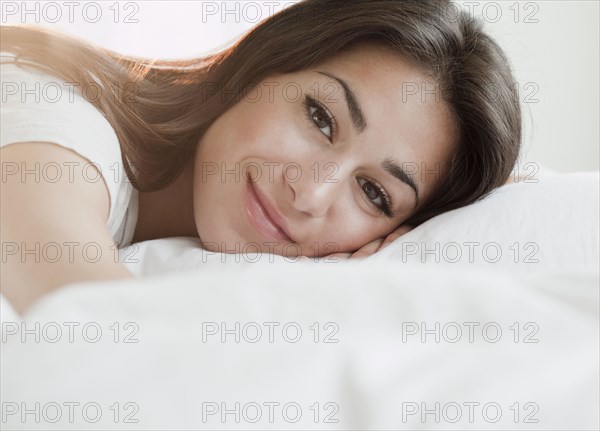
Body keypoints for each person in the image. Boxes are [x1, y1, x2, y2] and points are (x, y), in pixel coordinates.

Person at [0, 0, 522, 313]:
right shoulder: (55, 124)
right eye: (320, 118)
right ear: (261, 67)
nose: (310, 192)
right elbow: (99, 334)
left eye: (373, 193)